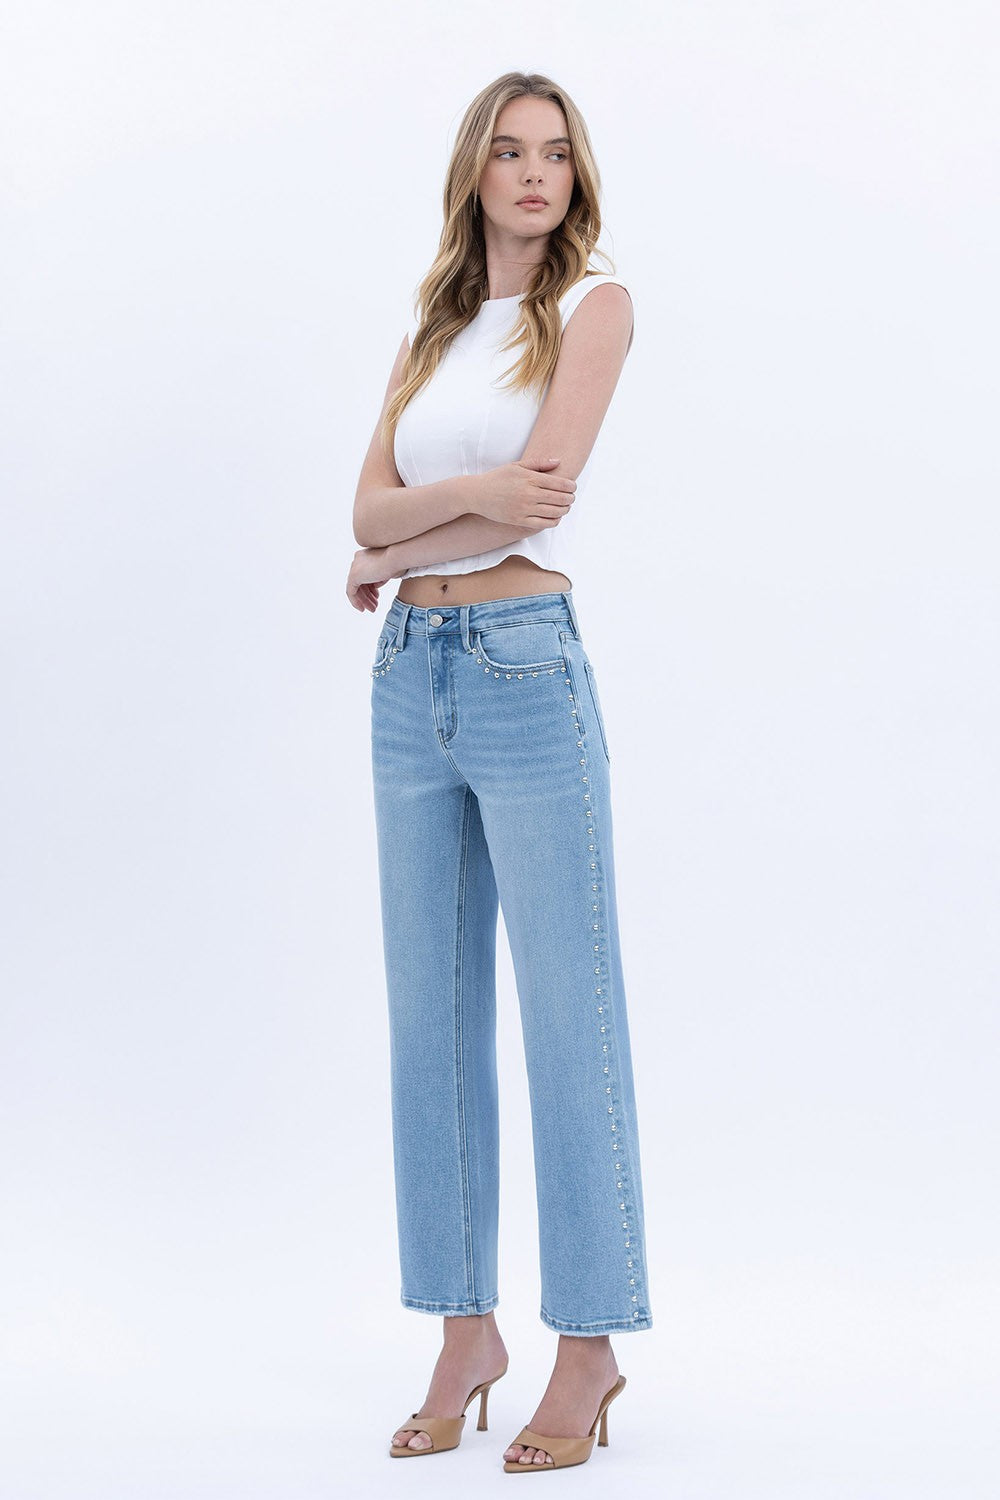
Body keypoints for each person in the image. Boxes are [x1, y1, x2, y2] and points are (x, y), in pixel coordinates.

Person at [347, 71, 653, 1472]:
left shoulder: (593, 307)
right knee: (431, 1019)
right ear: (474, 172)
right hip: (408, 683)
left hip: (527, 669)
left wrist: (397, 540)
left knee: (567, 1013)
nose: (536, 173)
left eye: (558, 154)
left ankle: (587, 1345)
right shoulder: (435, 326)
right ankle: (465, 1330)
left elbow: (543, 492)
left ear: (576, 178)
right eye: (511, 151)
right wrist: (418, 525)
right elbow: (364, 503)